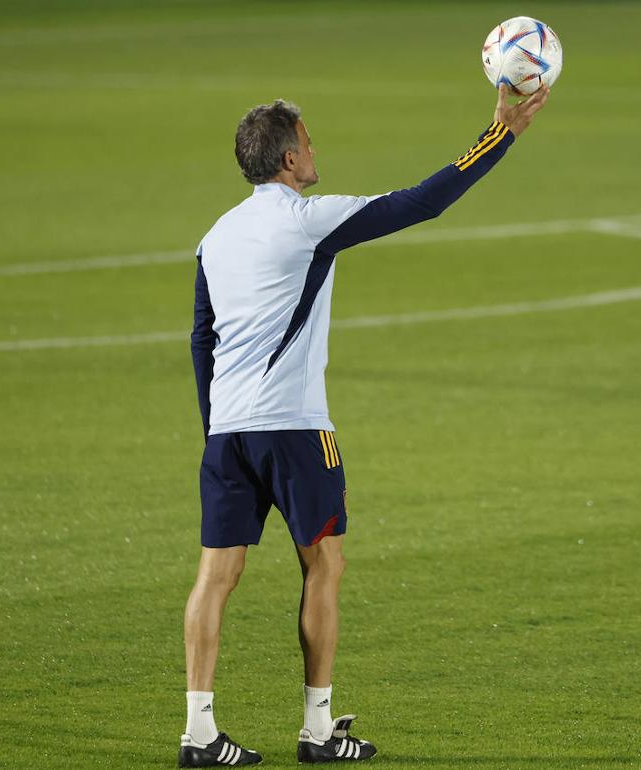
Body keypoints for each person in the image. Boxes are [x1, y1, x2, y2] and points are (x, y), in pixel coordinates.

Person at [177, 83, 550, 767]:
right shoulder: (310, 219)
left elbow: (201, 339)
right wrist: (500, 134)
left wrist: (215, 426)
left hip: (228, 435)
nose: (316, 152)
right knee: (324, 565)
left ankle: (199, 734)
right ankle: (318, 731)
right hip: (295, 431)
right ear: (289, 159)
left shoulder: (215, 236)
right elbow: (421, 201)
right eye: (309, 142)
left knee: (214, 578)